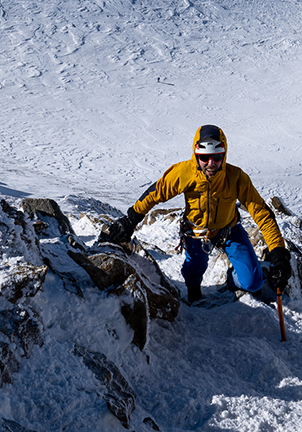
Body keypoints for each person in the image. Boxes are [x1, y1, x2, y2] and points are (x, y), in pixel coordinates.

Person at [101, 124, 291, 304]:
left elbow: (262, 213)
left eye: (217, 157)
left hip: (229, 230)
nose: (211, 163)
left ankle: (234, 280)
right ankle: (193, 290)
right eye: (204, 157)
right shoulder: (185, 172)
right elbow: (155, 193)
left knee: (253, 282)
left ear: (224, 155)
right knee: (195, 268)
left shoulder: (236, 177)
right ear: (196, 154)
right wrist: (130, 219)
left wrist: (279, 254)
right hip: (196, 231)